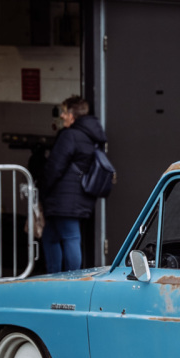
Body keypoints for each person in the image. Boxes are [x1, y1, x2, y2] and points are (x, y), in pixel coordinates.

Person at [40, 95, 107, 273]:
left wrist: (43, 190)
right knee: (51, 236)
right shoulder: (92, 135)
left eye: (64, 112)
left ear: (72, 115)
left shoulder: (70, 135)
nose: (61, 116)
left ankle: (71, 280)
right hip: (76, 196)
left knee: (70, 237)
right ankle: (55, 277)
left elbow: (54, 167)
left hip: (64, 198)